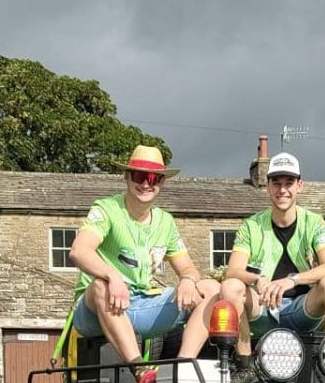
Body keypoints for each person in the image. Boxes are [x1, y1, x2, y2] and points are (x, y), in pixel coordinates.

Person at [67, 146, 220, 366]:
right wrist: (112, 276)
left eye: (154, 178)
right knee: (101, 286)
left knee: (212, 288)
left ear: (162, 183)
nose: (146, 184)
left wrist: (188, 280)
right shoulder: (106, 209)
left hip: (140, 305)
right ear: (127, 177)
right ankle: (139, 368)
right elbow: (79, 251)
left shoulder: (166, 222)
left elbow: (188, 268)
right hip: (96, 311)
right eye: (140, 176)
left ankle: (183, 367)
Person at [218, 152, 325, 366]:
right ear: (267, 186)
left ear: (300, 186)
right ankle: (244, 364)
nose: (282, 190)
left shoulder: (315, 223)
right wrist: (258, 279)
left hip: (302, 309)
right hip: (262, 307)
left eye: (289, 183)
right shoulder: (250, 226)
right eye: (276, 183)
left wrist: (292, 280)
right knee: (230, 286)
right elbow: (232, 271)